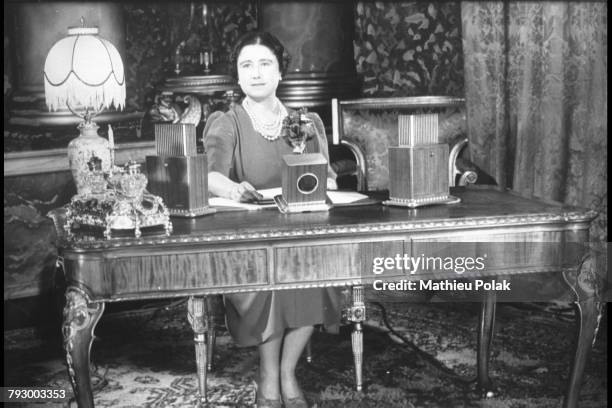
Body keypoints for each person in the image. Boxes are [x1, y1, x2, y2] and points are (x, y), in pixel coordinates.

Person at [203, 31, 342, 408]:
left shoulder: (306, 122)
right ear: (237, 74)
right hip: (247, 237)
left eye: (265, 64)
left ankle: (286, 371)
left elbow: (325, 176)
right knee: (272, 280)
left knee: (317, 274)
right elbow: (210, 175)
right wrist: (233, 190)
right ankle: (267, 374)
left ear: (281, 73)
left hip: (300, 233)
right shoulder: (226, 122)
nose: (256, 72)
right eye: (246, 65)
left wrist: (326, 183)